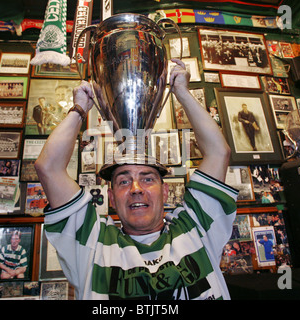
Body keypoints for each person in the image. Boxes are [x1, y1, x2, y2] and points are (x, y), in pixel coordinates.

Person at [35, 58, 238, 300]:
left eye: (148, 178)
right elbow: (48, 167)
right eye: (123, 181)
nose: (136, 188)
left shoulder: (196, 227)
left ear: (165, 192)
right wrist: (79, 109)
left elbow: (219, 152)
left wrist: (182, 92)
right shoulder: (91, 242)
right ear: (111, 197)